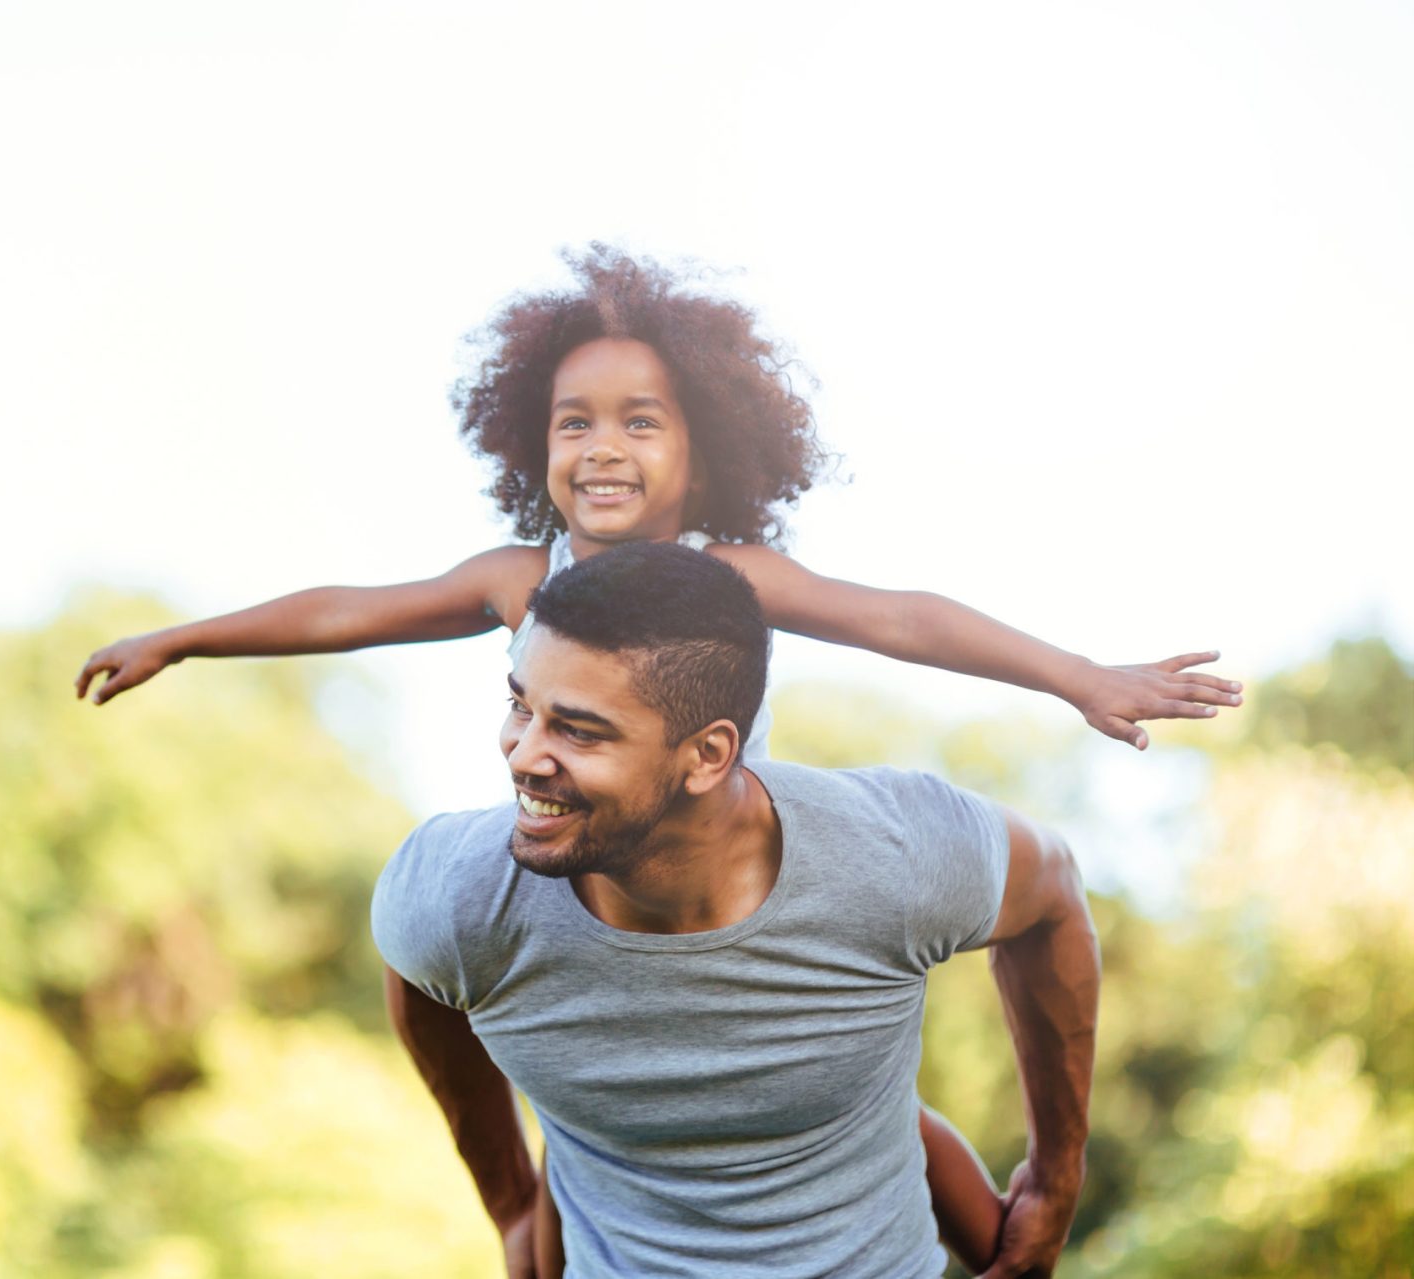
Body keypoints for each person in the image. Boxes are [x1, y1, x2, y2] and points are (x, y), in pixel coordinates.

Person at [74, 245, 1221, 1266]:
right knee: (607, 1140)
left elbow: (904, 618)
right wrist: (185, 639)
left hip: (735, 918)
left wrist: (1079, 675)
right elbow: (350, 610)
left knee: (874, 1109)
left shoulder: (735, 576)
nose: (603, 447)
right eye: (575, 421)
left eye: (641, 420)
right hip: (600, 914)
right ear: (536, 439)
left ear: (703, 447)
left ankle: (1008, 1250)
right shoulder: (517, 580)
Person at [373, 542, 1100, 1277]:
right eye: (519, 706)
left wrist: (1056, 1176)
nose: (522, 755)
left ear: (708, 754)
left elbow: (1054, 896)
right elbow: (415, 970)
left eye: (578, 729)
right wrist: (513, 1203)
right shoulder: (459, 894)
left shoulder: (892, 852)